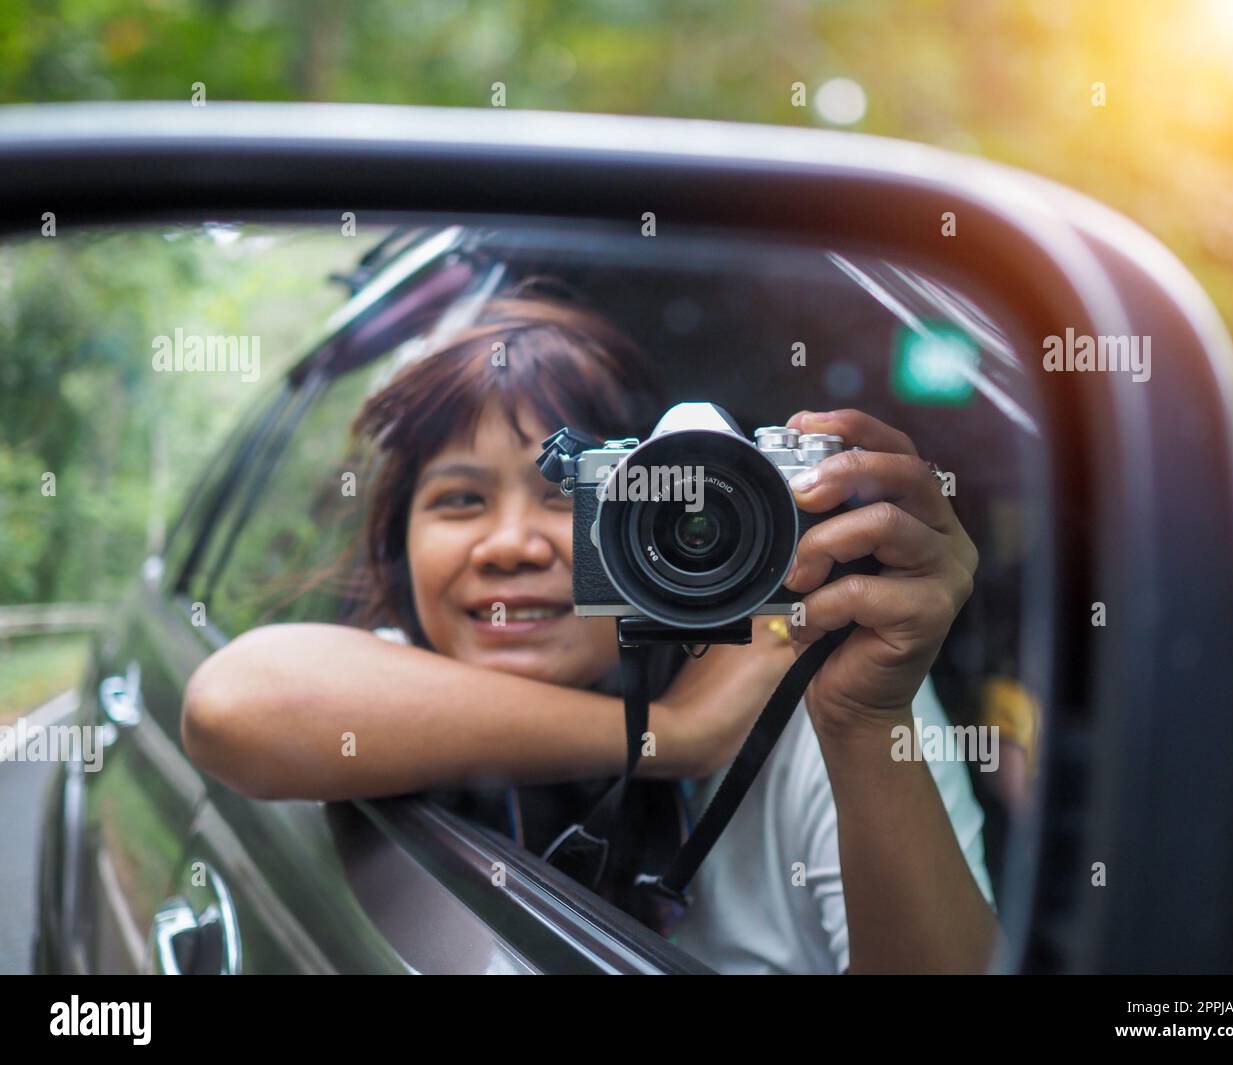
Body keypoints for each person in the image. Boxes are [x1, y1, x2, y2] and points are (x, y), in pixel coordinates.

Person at [181, 286, 997, 973]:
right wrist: (671, 733)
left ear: (669, 511)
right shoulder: (383, 696)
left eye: (570, 492)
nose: (509, 546)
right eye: (460, 499)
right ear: (398, 553)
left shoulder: (812, 693)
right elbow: (230, 705)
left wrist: (863, 724)